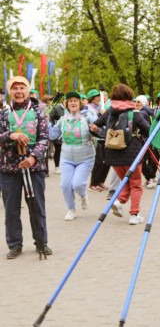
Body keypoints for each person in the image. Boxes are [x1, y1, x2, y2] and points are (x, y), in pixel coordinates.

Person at [0, 76, 52, 259]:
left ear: (28, 90)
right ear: (10, 92)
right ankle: (14, 244)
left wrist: (33, 157)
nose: (19, 91)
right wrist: (10, 135)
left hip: (33, 167)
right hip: (8, 169)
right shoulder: (3, 113)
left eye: (22, 87)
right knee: (11, 210)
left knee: (37, 207)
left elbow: (45, 138)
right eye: (15, 88)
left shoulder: (38, 112)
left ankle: (41, 243)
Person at [90, 84, 150, 225]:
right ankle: (134, 215)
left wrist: (99, 131)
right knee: (136, 184)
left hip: (112, 155)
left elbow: (94, 126)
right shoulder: (135, 113)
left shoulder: (109, 111)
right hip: (132, 155)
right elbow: (149, 130)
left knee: (126, 181)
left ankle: (118, 201)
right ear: (129, 97)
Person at [49, 91, 98, 220]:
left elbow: (101, 129)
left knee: (77, 184)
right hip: (66, 157)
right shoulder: (62, 120)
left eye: (75, 100)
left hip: (85, 157)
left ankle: (83, 195)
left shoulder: (88, 116)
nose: (73, 103)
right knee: (65, 185)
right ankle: (71, 209)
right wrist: (46, 124)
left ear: (80, 103)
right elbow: (53, 135)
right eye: (70, 101)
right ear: (66, 104)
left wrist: (96, 129)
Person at [87, 88, 110, 191]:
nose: (98, 99)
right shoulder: (88, 109)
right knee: (99, 161)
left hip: (105, 136)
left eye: (99, 96)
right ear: (92, 98)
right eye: (96, 97)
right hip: (95, 138)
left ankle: (101, 181)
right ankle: (93, 183)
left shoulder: (103, 107)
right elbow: (93, 121)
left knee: (108, 161)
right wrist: (101, 115)